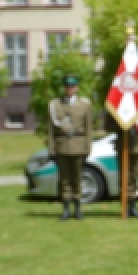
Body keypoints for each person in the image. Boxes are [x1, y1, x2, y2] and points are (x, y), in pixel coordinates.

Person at [48, 75, 94, 221]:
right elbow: (50, 130)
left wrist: (88, 148)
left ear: (77, 88)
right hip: (62, 146)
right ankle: (66, 209)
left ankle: (78, 209)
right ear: (64, 88)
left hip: (78, 146)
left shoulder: (85, 105)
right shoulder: (56, 105)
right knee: (64, 179)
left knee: (77, 178)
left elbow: (88, 128)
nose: (70, 89)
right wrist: (52, 149)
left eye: (73, 86)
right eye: (68, 86)